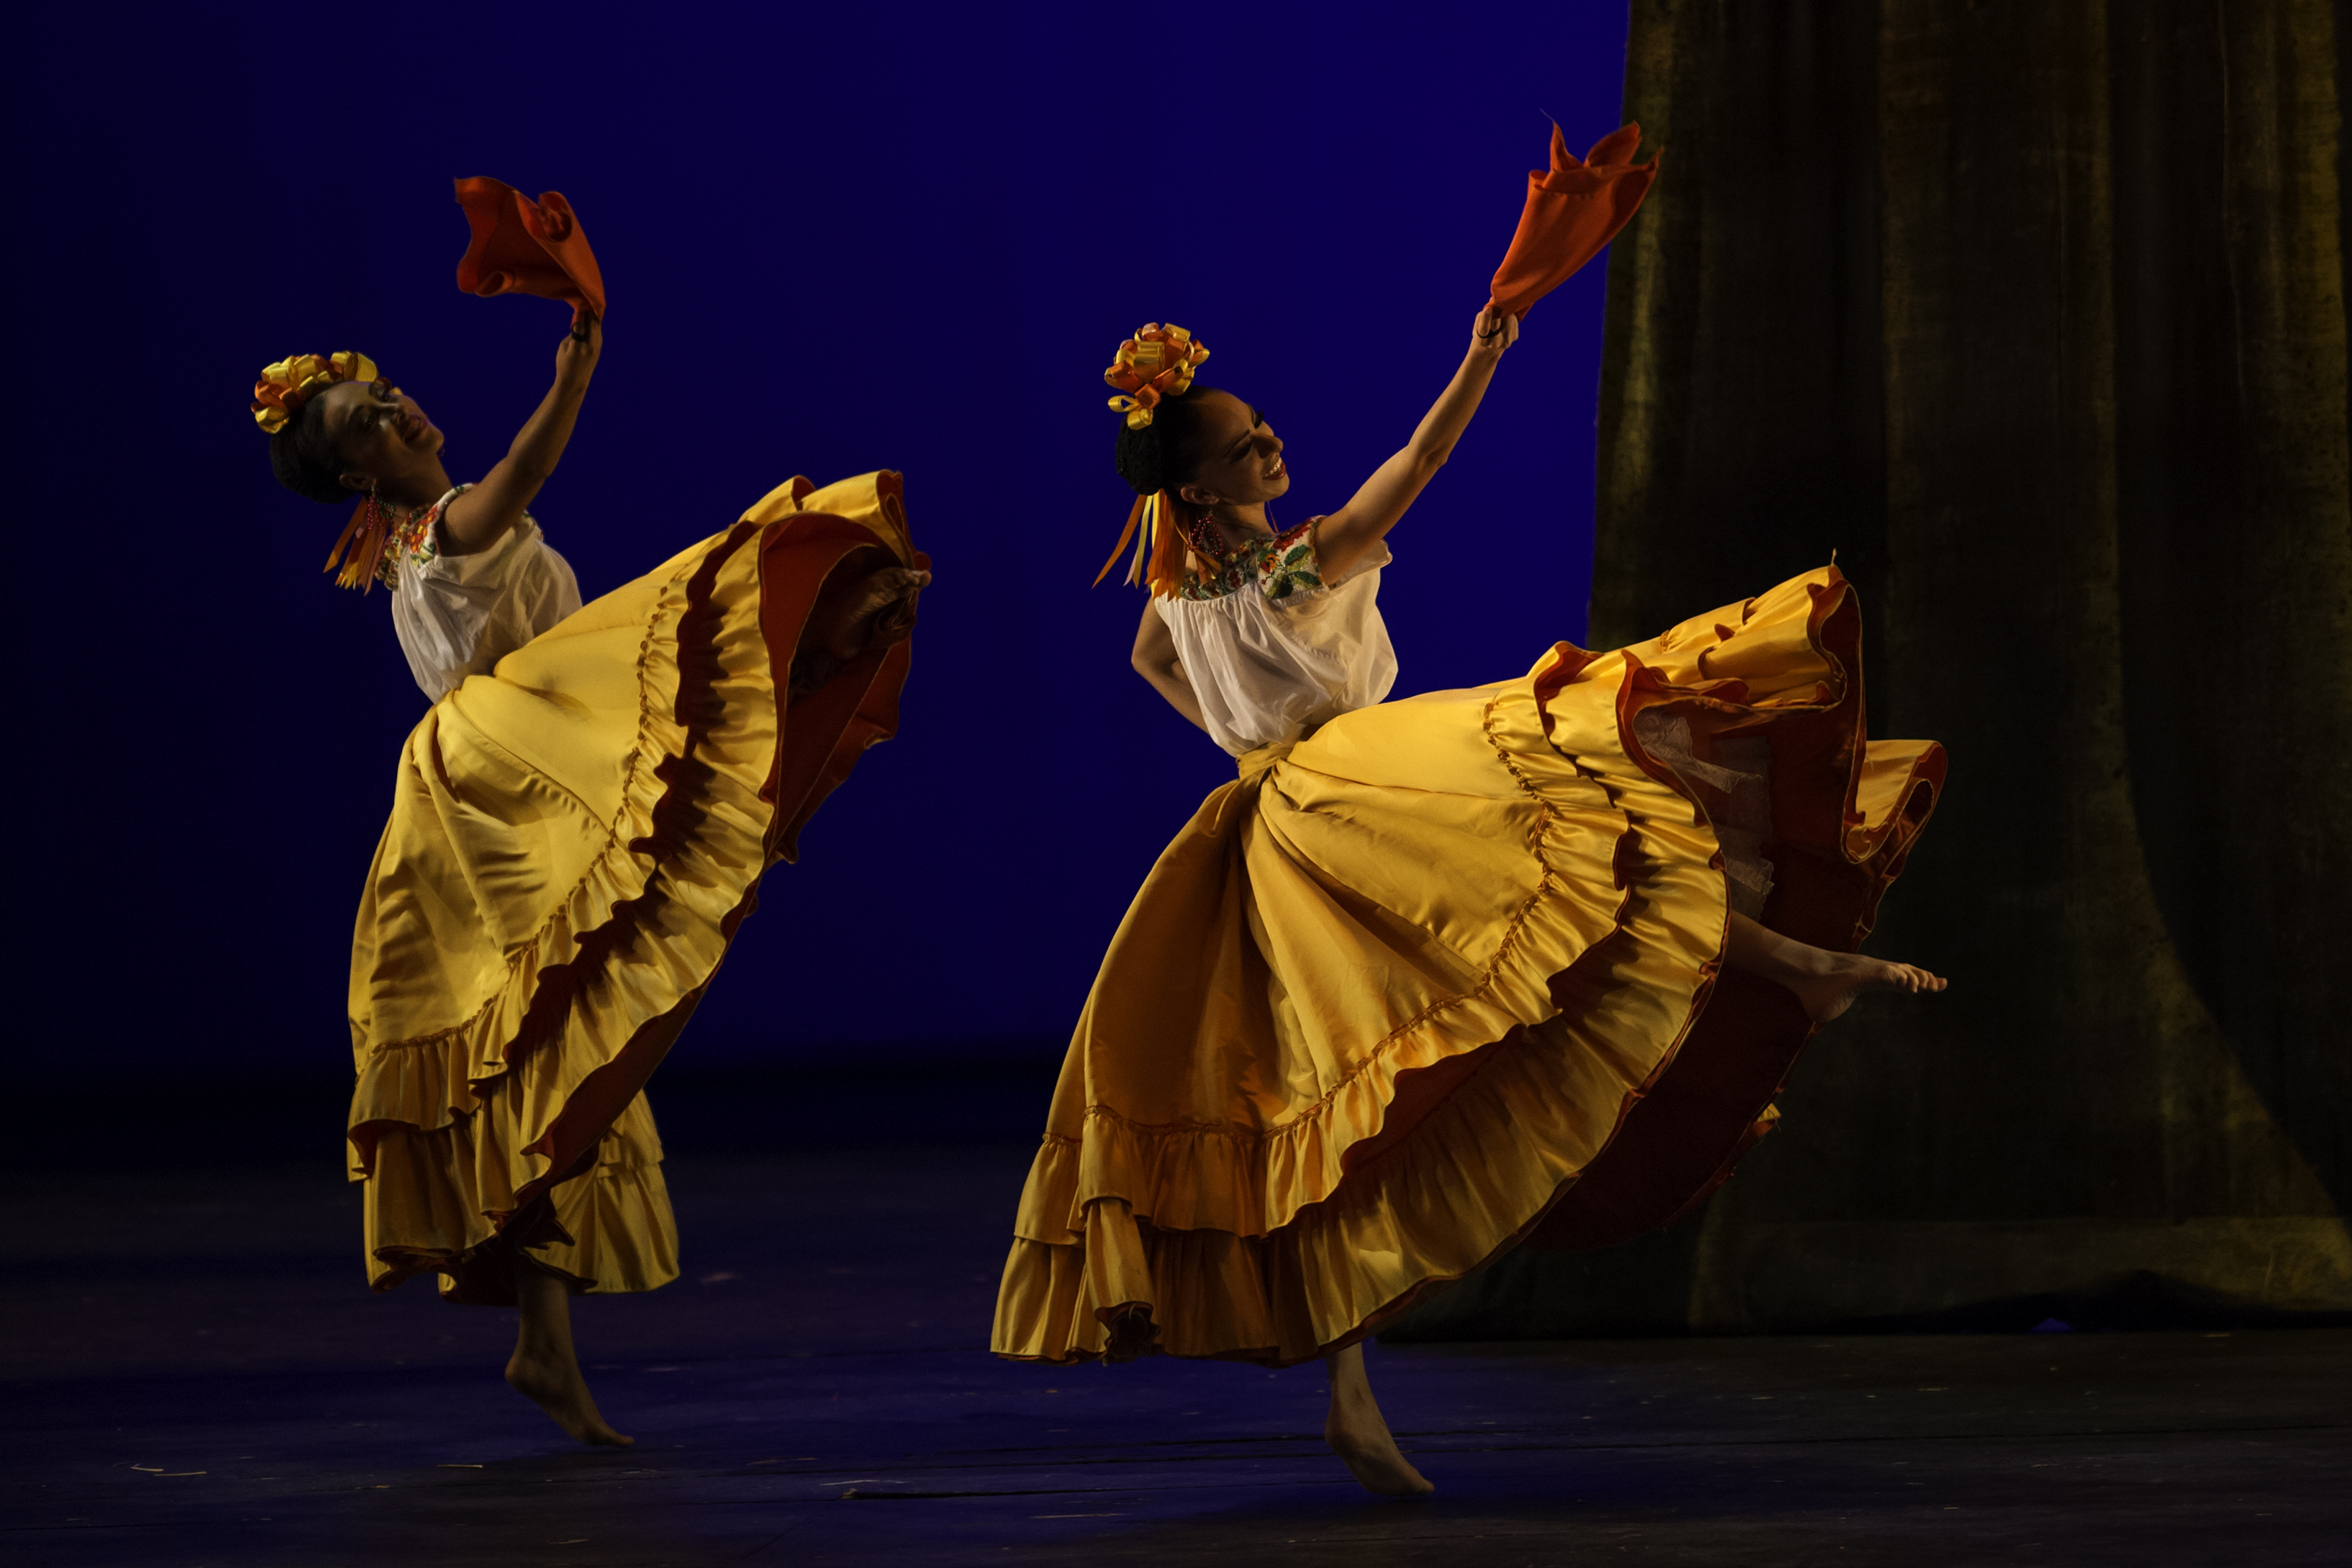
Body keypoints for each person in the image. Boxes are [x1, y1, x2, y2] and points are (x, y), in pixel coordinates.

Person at [990, 313, 1947, 1497]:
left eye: (1262, 432)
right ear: (1195, 485)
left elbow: (1146, 658)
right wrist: (1482, 357)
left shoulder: (1180, 589)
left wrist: (1244, 752)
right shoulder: (1300, 563)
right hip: (1353, 789)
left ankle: (1351, 1394)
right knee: (1580, 824)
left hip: (1279, 818)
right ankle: (1790, 964)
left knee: (1334, 1092)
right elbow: (1420, 467)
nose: (1271, 446)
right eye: (1246, 446)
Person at [256, 318, 929, 1447]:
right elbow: (527, 470)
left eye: (383, 393)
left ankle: (546, 1349)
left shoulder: (434, 536)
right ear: (357, 472)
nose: (395, 409)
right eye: (365, 421)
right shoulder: (452, 526)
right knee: (564, 1025)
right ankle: (821, 614)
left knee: (554, 1049)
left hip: (503, 774)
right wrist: (572, 379)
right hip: (510, 784)